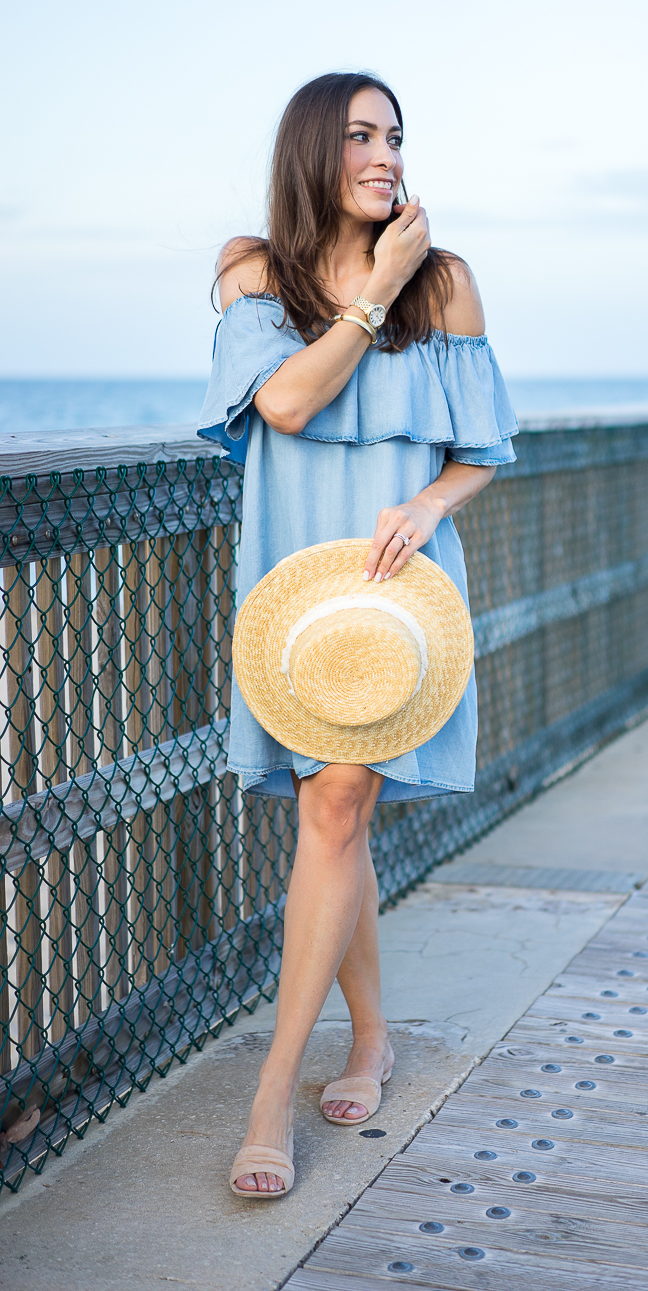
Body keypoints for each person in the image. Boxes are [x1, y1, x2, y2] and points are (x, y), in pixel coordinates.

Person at [197, 71, 517, 1197]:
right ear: (311, 154)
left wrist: (431, 505)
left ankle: (269, 1095)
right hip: (296, 572)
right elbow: (282, 406)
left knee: (336, 804)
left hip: (395, 579)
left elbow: (480, 446)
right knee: (339, 811)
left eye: (395, 137)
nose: (386, 155)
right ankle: (371, 1036)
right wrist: (371, 293)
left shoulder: (451, 284)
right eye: (361, 137)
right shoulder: (254, 271)